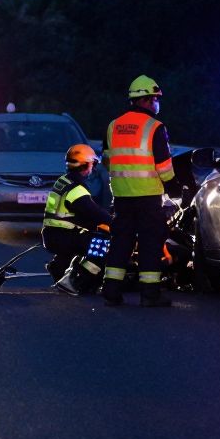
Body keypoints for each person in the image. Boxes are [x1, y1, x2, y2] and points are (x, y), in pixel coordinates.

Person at [101, 75, 179, 307]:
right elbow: (163, 166)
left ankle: (111, 291)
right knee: (150, 244)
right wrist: (175, 189)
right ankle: (150, 295)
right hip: (148, 197)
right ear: (145, 100)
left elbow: (107, 160)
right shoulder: (155, 127)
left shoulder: (113, 126)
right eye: (155, 98)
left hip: (122, 197)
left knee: (120, 242)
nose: (157, 103)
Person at [42, 143, 113, 291]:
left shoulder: (63, 181)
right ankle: (76, 280)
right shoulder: (77, 188)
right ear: (85, 165)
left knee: (88, 236)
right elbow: (93, 212)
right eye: (93, 164)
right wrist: (115, 222)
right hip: (64, 236)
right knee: (101, 245)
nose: (93, 168)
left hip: (52, 234)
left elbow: (77, 214)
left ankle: (59, 267)